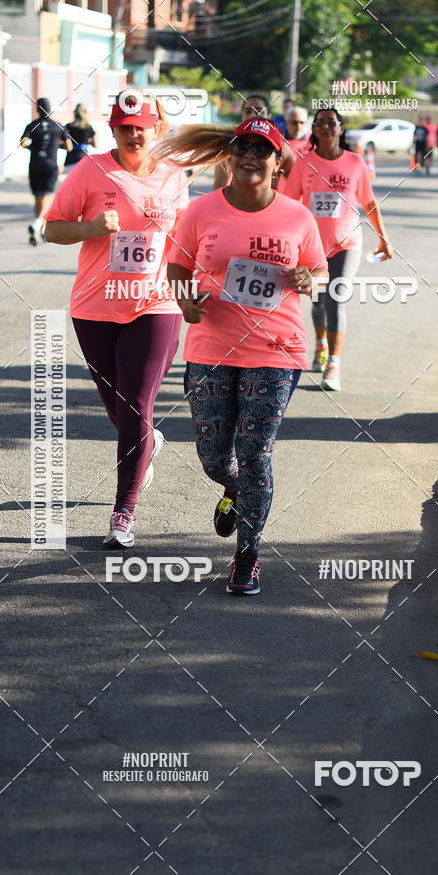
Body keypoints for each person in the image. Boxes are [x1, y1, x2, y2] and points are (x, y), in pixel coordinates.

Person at [157, 117, 328, 595]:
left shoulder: (297, 216)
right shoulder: (201, 210)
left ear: (278, 164)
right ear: (230, 157)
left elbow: (319, 271)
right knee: (215, 458)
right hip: (211, 348)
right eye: (242, 147)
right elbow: (177, 266)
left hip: (276, 351)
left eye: (262, 149)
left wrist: (308, 278)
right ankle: (234, 489)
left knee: (255, 451)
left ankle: (247, 556)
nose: (251, 155)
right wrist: (185, 302)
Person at [45, 92, 189, 548]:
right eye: (124, 128)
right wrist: (91, 228)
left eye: (139, 128)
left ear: (154, 129)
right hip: (95, 306)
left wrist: (195, 288)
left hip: (156, 304)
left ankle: (123, 512)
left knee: (135, 406)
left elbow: (185, 240)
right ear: (113, 130)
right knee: (119, 410)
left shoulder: (173, 175)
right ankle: (148, 441)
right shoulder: (90, 170)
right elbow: (52, 228)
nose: (132, 135)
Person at [284, 107, 393, 392]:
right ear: (314, 130)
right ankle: (321, 343)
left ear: (341, 128)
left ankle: (334, 363)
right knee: (318, 302)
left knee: (336, 298)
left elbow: (369, 203)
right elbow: (289, 204)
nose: (326, 127)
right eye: (320, 123)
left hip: (347, 243)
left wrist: (383, 238)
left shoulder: (355, 163)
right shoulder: (304, 163)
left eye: (331, 123)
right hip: (312, 248)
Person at [20, 97, 72, 246]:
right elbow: (69, 146)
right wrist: (56, 146)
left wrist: (33, 147)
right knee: (47, 198)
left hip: (35, 165)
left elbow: (23, 142)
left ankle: (41, 229)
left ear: (37, 109)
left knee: (38, 198)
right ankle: (37, 223)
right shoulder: (58, 126)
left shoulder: (32, 125)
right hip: (50, 166)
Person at [214, 95, 295, 189]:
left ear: (269, 115)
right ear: (242, 115)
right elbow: (219, 188)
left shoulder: (281, 147)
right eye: (248, 111)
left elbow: (297, 182)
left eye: (259, 111)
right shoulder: (229, 144)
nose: (252, 115)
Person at [63, 103, 96, 174]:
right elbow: (95, 145)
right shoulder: (89, 127)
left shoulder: (69, 126)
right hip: (84, 159)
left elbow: (66, 144)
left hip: (71, 160)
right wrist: (87, 141)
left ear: (75, 113)